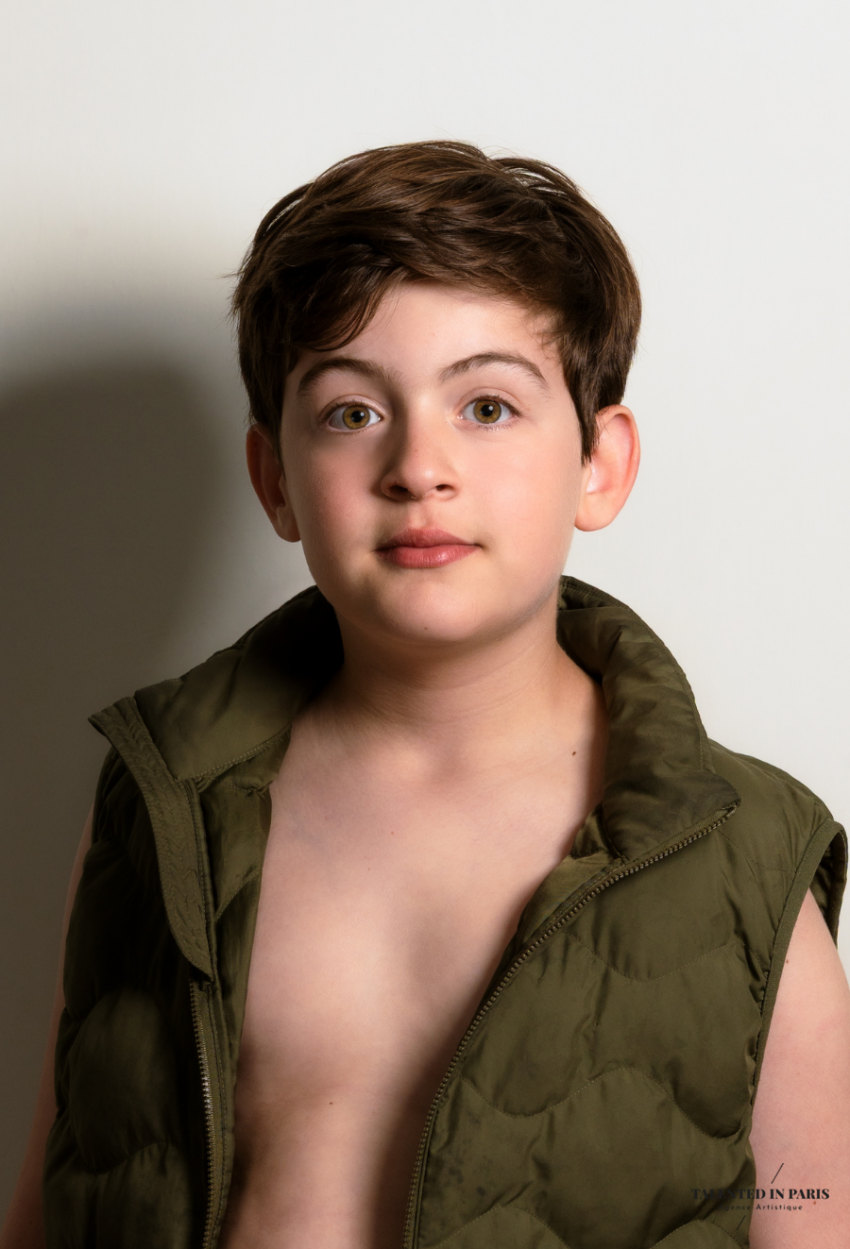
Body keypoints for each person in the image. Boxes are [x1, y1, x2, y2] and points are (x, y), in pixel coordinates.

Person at [2, 140, 849, 1249]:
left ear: (599, 464)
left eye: (486, 407)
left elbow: (810, 1217)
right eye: (353, 413)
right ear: (275, 479)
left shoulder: (746, 855)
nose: (418, 466)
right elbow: (51, 1198)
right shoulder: (162, 802)